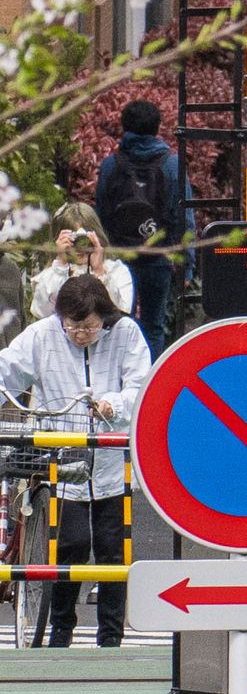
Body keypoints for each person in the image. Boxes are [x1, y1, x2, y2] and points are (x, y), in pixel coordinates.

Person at [0, 272, 153, 646]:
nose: (80, 334)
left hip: (112, 460)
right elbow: (7, 372)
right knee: (70, 545)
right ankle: (61, 629)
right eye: (72, 326)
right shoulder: (42, 336)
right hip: (63, 459)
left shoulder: (126, 333)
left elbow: (142, 386)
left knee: (113, 550)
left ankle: (111, 635)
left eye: (89, 327)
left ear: (105, 317)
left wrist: (113, 404)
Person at [90, 98, 186, 353]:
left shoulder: (111, 165)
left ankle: (122, 374)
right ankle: (150, 375)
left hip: (120, 257)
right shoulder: (171, 164)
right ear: (157, 127)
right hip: (158, 256)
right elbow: (183, 217)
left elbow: (101, 213)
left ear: (124, 126)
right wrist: (186, 266)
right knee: (154, 326)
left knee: (119, 323)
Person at [27, 204, 133, 327]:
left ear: (97, 237)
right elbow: (42, 313)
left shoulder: (116, 271)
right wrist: (61, 266)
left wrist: (99, 272)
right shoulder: (53, 274)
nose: (79, 247)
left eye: (85, 240)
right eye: (73, 239)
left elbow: (121, 313)